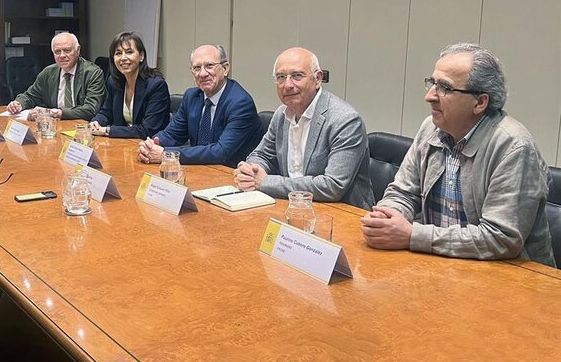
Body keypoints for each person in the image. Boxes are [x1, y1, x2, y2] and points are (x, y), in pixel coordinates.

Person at [361, 43, 555, 267]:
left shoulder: (514, 147)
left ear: (480, 102)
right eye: (432, 83)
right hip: (443, 263)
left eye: (444, 87)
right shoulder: (431, 128)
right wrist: (387, 217)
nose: (430, 96)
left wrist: (413, 236)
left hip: (511, 281)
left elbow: (500, 238)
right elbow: (404, 192)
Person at [233, 47, 374, 209]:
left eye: (297, 76)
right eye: (280, 77)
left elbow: (333, 186)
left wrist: (265, 182)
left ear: (318, 78)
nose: (287, 85)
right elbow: (262, 154)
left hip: (341, 213)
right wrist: (251, 171)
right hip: (290, 206)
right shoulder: (281, 114)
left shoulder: (345, 120)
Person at [138, 44, 263, 168]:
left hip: (231, 175)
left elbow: (221, 153)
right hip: (199, 170)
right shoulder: (191, 96)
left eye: (209, 66)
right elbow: (172, 134)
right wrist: (152, 144)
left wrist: (167, 154)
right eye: (197, 67)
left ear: (225, 68)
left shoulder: (240, 103)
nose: (202, 74)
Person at [6, 32, 106, 121]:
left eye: (67, 50)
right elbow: (30, 96)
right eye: (57, 51)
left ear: (77, 50)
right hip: (55, 125)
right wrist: (18, 103)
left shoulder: (92, 73)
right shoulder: (49, 72)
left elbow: (91, 109)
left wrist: (54, 113)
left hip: (81, 126)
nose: (62, 55)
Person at [89, 32, 170, 139]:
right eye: (118, 53)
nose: (123, 58)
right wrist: (96, 122)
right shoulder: (113, 82)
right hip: (122, 144)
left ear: (141, 56)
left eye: (129, 52)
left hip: (149, 146)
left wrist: (107, 130)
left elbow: (147, 130)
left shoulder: (156, 85)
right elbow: (106, 112)